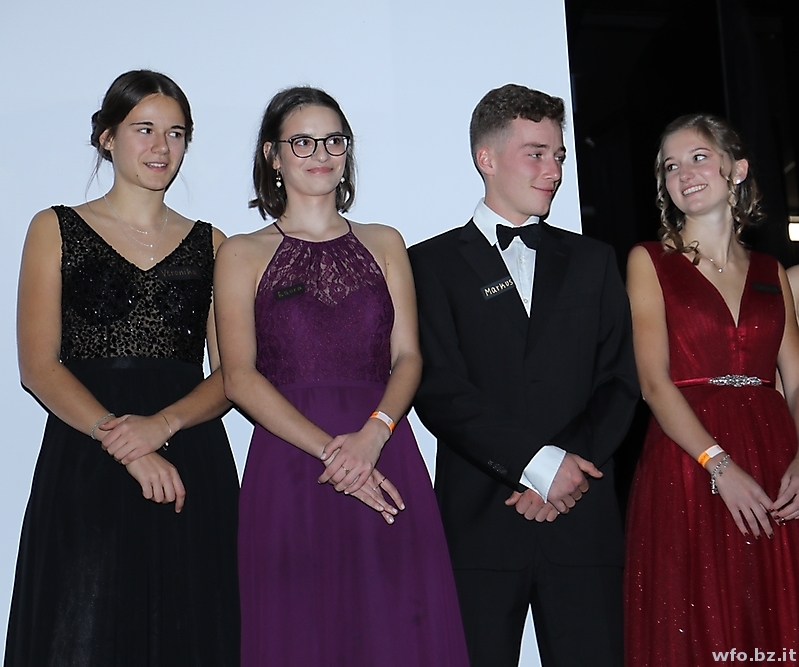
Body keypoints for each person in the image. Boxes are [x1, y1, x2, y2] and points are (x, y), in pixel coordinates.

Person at [214, 86, 469, 667]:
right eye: (302, 141)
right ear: (273, 155)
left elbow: (409, 357)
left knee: (397, 630)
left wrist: (374, 435)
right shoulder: (241, 253)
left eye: (333, 140)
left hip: (386, 451)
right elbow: (239, 378)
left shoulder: (385, 241)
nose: (320, 153)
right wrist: (337, 455)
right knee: (302, 636)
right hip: (291, 464)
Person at [5, 70, 240, 666]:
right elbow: (38, 366)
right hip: (87, 459)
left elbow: (233, 375)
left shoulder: (214, 244)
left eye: (176, 133)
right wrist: (128, 445)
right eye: (145, 129)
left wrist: (161, 427)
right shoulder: (54, 228)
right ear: (107, 137)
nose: (162, 147)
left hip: (190, 460)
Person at [408, 83, 638, 667]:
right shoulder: (428, 264)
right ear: (486, 159)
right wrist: (537, 465)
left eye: (558, 155)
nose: (553, 170)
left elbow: (619, 381)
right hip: (480, 521)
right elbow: (437, 387)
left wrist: (567, 470)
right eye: (536, 153)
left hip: (583, 519)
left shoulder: (595, 260)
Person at [624, 113, 799, 665]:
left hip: (776, 460)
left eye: (698, 157)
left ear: (736, 169)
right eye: (670, 166)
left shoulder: (772, 270)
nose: (684, 173)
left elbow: (796, 380)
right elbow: (653, 383)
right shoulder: (649, 261)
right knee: (705, 624)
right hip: (690, 463)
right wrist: (718, 466)